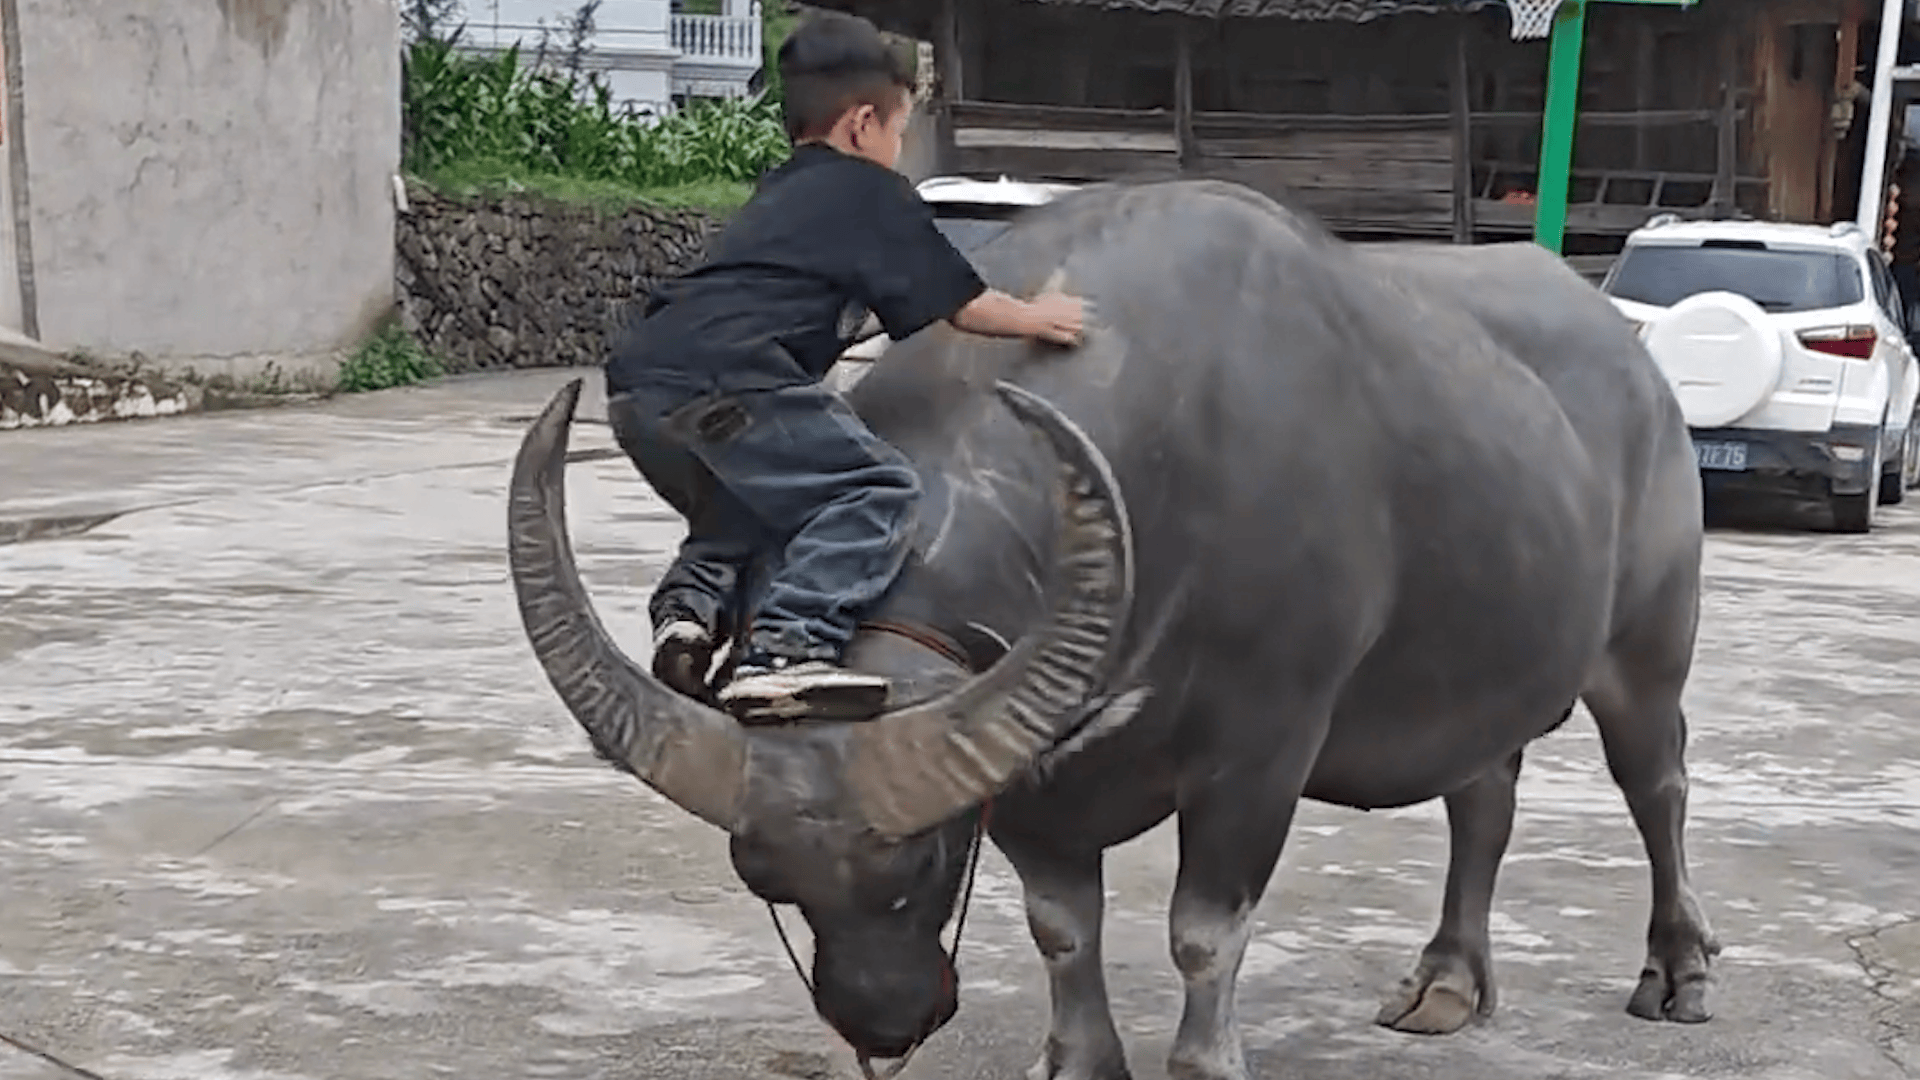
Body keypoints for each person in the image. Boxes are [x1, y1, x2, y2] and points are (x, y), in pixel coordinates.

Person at [602, 10, 1088, 723]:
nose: (899, 149)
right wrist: (1045, 318)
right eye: (899, 131)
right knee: (876, 489)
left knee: (752, 503)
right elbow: (964, 303)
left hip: (638, 389)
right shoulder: (870, 192)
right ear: (863, 124)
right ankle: (786, 650)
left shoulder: (779, 192)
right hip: (734, 376)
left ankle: (689, 616)